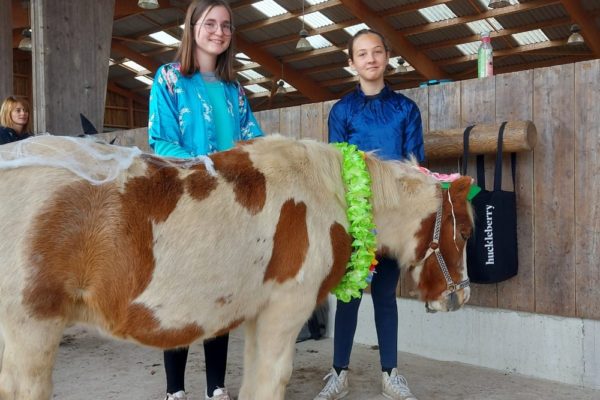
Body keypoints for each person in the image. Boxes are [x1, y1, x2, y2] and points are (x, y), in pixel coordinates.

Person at [147, 1, 263, 399]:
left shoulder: (234, 88)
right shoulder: (168, 78)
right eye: (210, 23)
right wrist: (208, 166)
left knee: (221, 295)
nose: (219, 31)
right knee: (181, 296)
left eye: (226, 25)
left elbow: (253, 140)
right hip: (184, 204)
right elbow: (160, 140)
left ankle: (216, 388)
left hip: (229, 210)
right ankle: (175, 390)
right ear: (192, 26)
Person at [314, 29, 424, 400]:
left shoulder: (406, 109)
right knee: (348, 296)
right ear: (352, 63)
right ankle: (338, 373)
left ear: (387, 56)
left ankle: (391, 374)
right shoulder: (342, 111)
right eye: (362, 54)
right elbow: (336, 168)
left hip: (392, 220)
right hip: (357, 221)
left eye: (376, 51)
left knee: (386, 296)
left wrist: (399, 218)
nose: (371, 59)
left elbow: (414, 167)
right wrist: (353, 221)